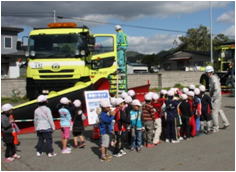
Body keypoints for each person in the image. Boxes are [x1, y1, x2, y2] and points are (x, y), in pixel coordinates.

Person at [205, 66, 230, 132]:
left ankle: (216, 127)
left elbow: (216, 89)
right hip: (217, 96)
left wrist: (213, 98)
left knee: (214, 112)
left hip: (216, 97)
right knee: (219, 109)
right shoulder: (213, 77)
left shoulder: (213, 78)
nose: (206, 74)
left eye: (207, 72)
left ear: (210, 72)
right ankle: (226, 123)